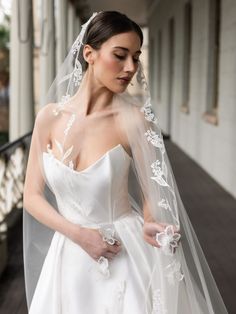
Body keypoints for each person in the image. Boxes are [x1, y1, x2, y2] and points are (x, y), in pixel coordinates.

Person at [23, 11, 228, 313]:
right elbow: (31, 196)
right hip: (68, 255)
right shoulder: (49, 118)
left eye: (136, 57)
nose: (130, 67)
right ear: (89, 54)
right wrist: (78, 235)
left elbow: (152, 195)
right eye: (120, 56)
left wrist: (151, 222)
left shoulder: (135, 121)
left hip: (124, 253)